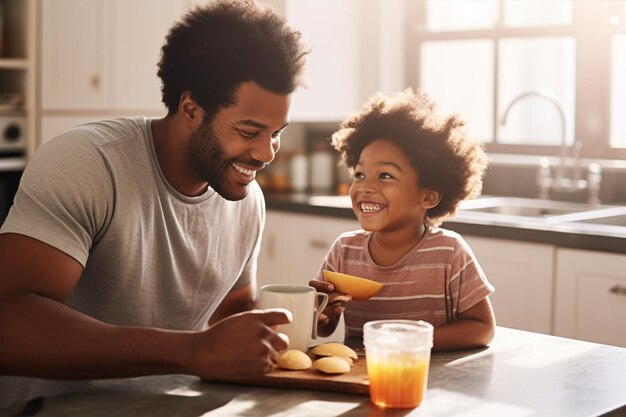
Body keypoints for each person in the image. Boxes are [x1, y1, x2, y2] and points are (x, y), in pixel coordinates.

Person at [0, 0, 309, 407]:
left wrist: (283, 332)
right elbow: (9, 322)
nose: (268, 153)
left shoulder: (247, 199)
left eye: (276, 133)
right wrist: (192, 351)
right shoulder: (89, 163)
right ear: (190, 109)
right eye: (249, 130)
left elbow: (230, 311)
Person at [309, 89, 495, 352]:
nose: (365, 187)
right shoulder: (344, 251)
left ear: (428, 196)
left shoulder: (449, 253)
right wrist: (321, 309)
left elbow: (482, 328)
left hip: (428, 376)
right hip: (363, 376)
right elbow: (323, 328)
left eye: (385, 176)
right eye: (360, 174)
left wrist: (409, 342)